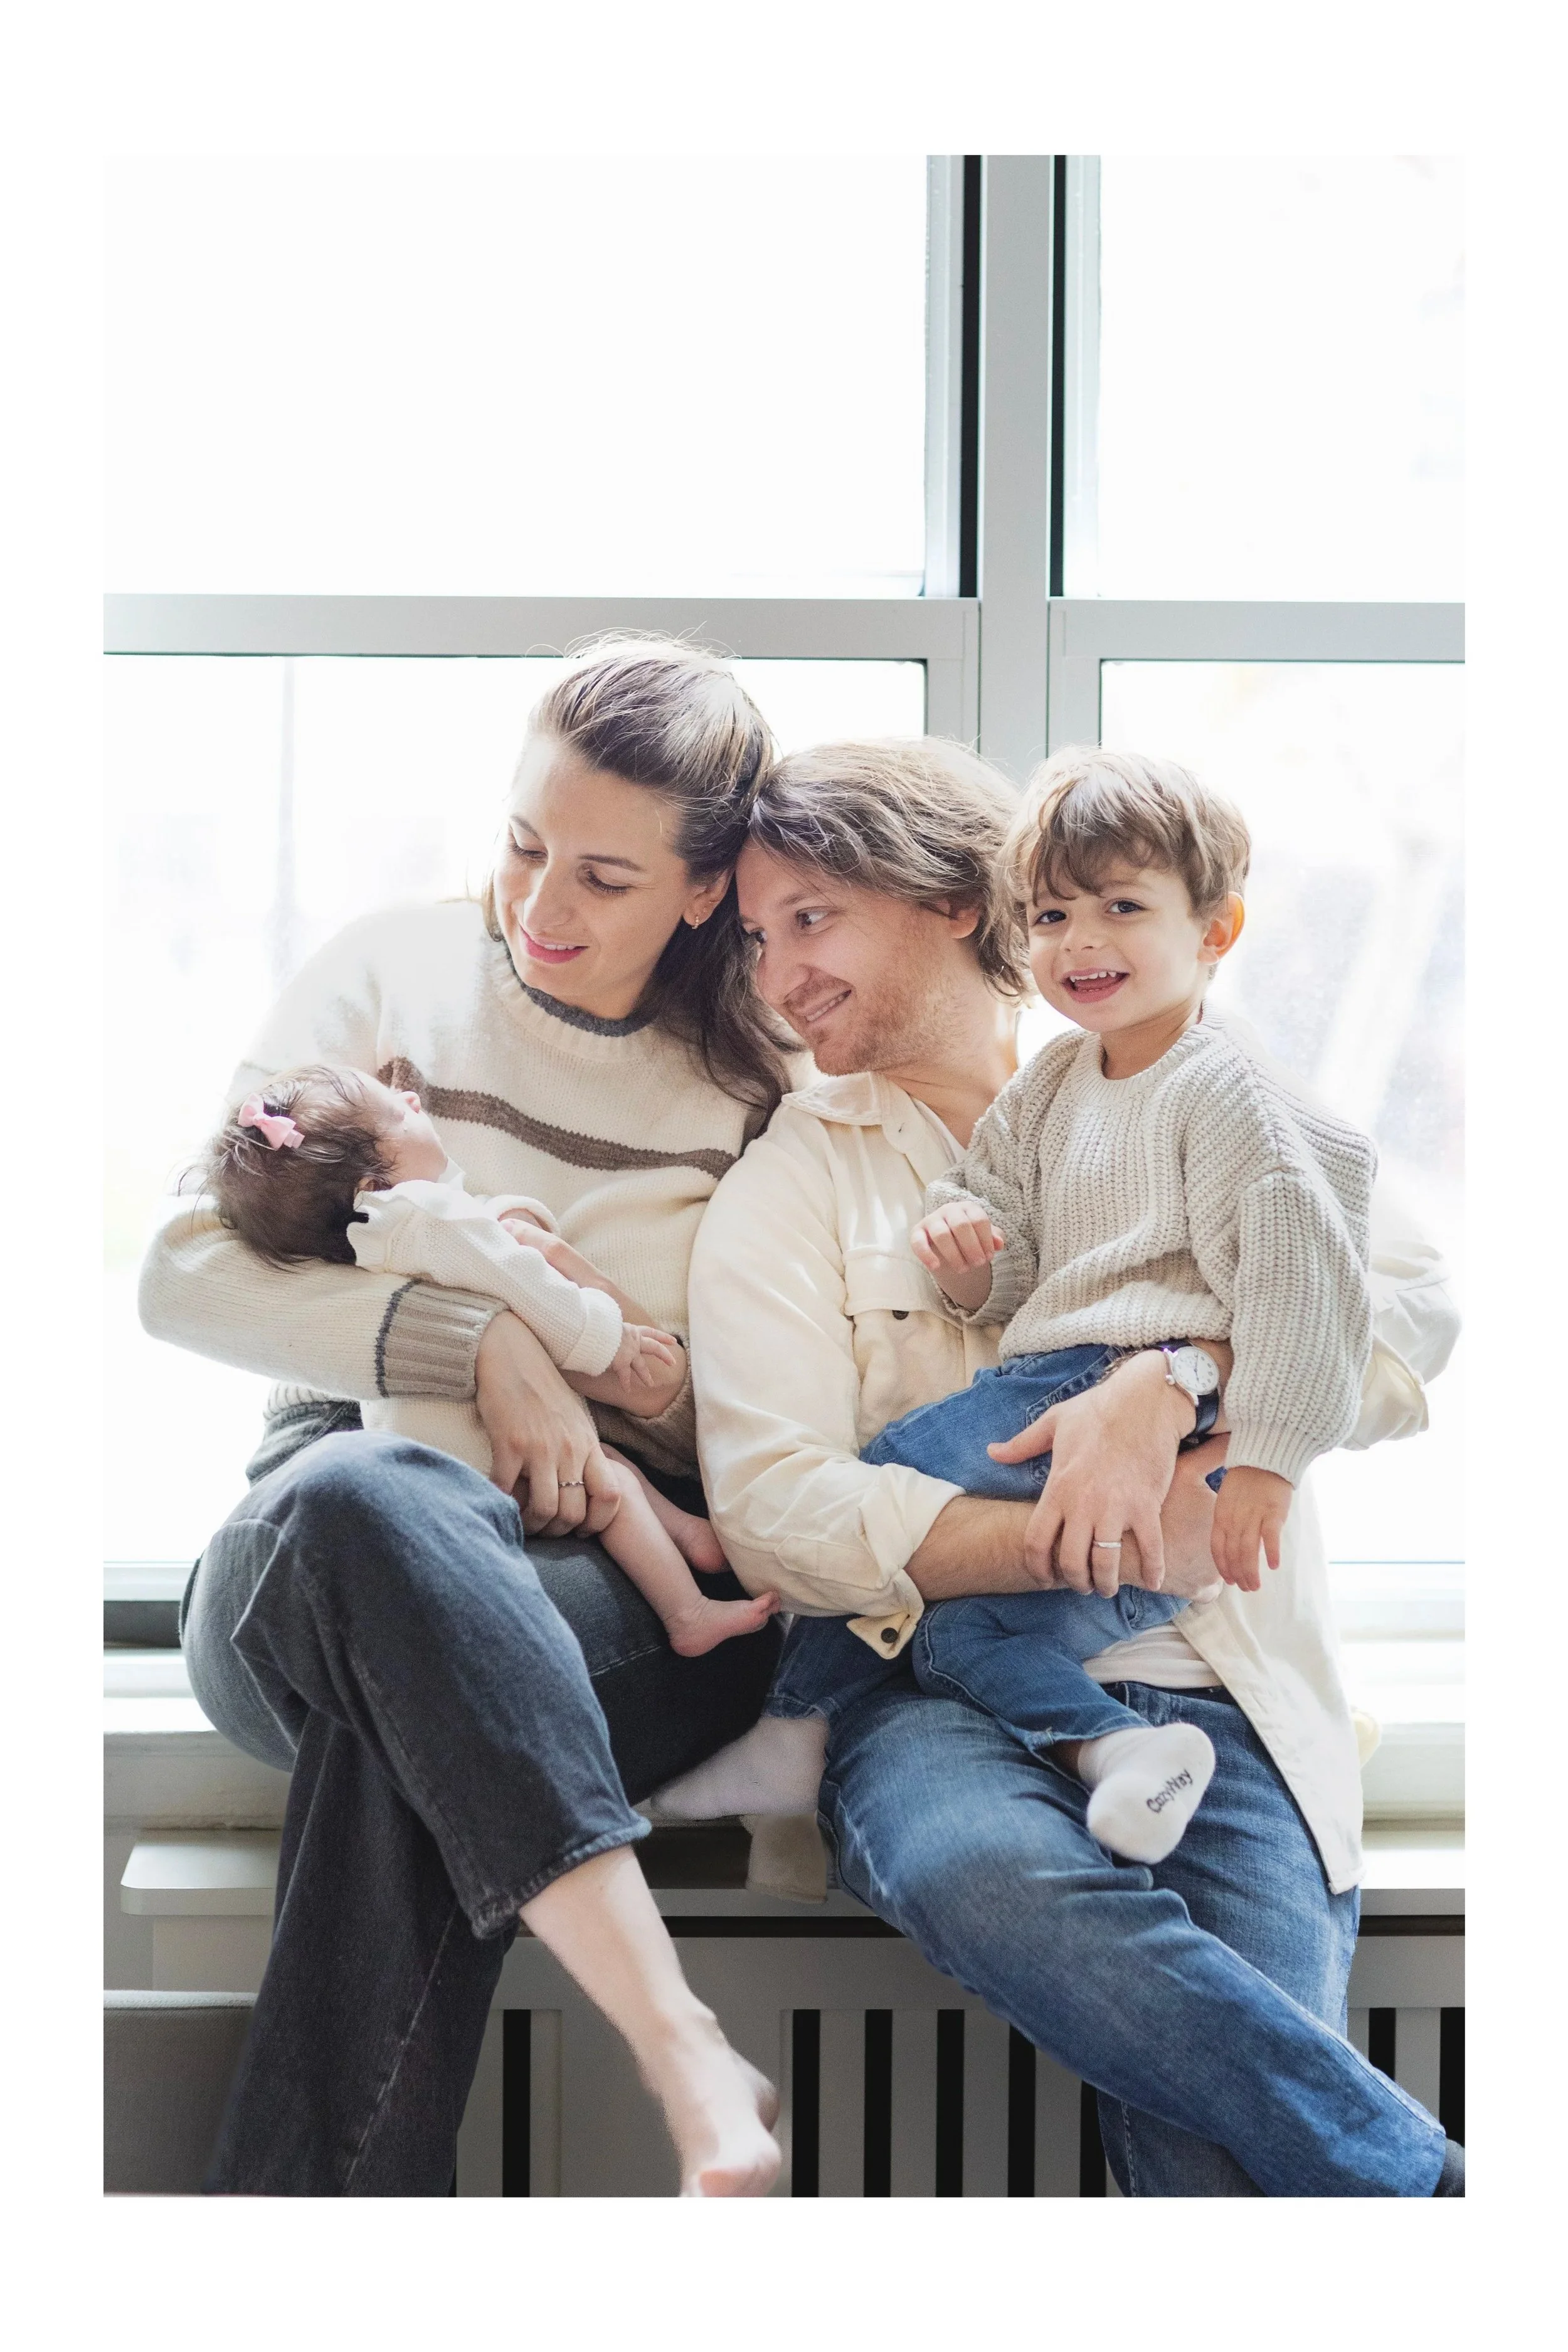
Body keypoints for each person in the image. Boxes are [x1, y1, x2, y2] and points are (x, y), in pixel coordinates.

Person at [672, 734, 1465, 2195]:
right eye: (757, 941)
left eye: (809, 920)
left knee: (1215, 2163)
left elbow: (1410, 1314)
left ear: (950, 900)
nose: (777, 978)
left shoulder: (1182, 1073)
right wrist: (1077, 1530)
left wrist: (1177, 1385)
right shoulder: (793, 1183)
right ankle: (1424, 2188)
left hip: (1231, 1686)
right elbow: (781, 1512)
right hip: (936, 1698)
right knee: (983, 1865)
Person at [139, 639, 794, 2196]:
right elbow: (180, 1270)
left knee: (417, 1719)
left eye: (604, 875)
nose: (541, 905)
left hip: (623, 1577)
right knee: (379, 1505)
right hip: (323, 1532)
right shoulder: (388, 970)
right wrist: (477, 1331)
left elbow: (777, 1413)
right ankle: (681, 2043)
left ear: (703, 891)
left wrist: (622, 1377)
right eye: (522, 843)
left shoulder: (754, 1082)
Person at [199, 1062, 776, 1658]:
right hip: (478, 1463)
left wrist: (515, 1220)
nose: (411, 1098)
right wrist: (612, 1340)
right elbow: (530, 1290)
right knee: (611, 1496)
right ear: (373, 1185)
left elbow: (485, 1237)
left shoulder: (376, 1235)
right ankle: (690, 1614)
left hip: (428, 1456)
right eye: (398, 1113)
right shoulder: (428, 1217)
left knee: (608, 1469)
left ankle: (686, 1534)